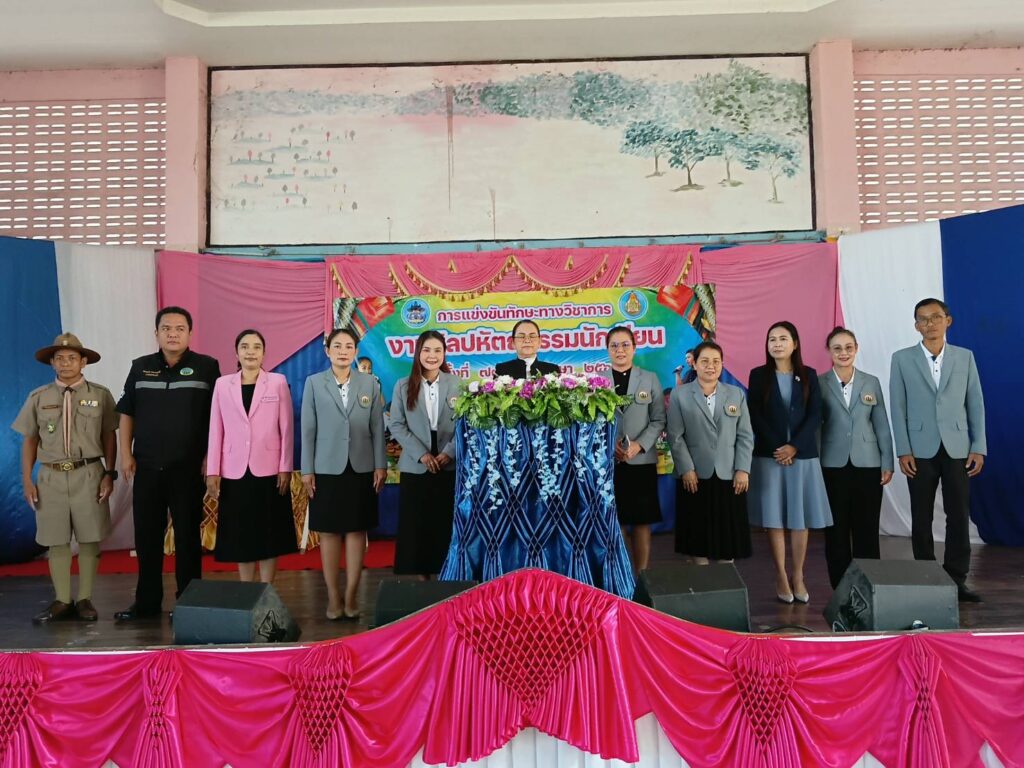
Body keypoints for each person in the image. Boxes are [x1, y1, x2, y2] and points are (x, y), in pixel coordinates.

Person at [115, 307, 220, 621]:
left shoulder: (206, 367)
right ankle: (146, 603)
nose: (173, 334)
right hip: (147, 466)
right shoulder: (140, 367)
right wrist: (126, 454)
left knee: (188, 538)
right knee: (147, 537)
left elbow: (218, 418)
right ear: (156, 333)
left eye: (179, 328)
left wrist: (210, 457)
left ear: (190, 333)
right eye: (166, 328)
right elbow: (127, 413)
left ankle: (189, 603)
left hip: (188, 468)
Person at [13, 334, 118, 623]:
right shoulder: (39, 397)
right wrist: (27, 479)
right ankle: (61, 600)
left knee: (89, 538)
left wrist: (109, 474)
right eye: (59, 358)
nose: (66, 363)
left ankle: (84, 599)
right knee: (55, 540)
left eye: (72, 358)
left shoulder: (100, 395)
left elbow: (109, 435)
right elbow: (30, 440)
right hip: (51, 476)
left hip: (89, 473)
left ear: (83, 362)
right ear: (52, 363)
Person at [889, 298, 986, 603]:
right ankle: (926, 578)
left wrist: (978, 446)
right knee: (921, 516)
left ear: (948, 320)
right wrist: (903, 450)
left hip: (958, 447)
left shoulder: (964, 357)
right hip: (919, 449)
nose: (929, 324)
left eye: (935, 317)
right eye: (923, 319)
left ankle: (957, 579)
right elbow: (897, 406)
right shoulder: (902, 359)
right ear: (916, 325)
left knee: (958, 514)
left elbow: (975, 403)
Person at [301, 327, 386, 620]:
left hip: (361, 467)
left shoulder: (369, 383)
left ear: (356, 351)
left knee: (356, 530)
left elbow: (377, 428)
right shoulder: (314, 383)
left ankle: (351, 595)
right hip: (325, 468)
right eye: (337, 346)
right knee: (329, 532)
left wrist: (381, 464)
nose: (343, 351)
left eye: (349, 346)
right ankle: (333, 597)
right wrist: (307, 469)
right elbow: (308, 429)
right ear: (327, 351)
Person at [747, 321, 832, 604]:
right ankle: (781, 575)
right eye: (772, 339)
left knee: (799, 518)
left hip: (802, 456)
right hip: (770, 457)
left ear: (795, 344)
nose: (777, 344)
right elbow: (755, 414)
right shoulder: (758, 375)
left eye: (783, 338)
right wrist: (779, 448)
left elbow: (815, 414)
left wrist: (794, 446)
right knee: (774, 519)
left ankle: (798, 575)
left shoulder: (809, 375)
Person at [205, 329, 297, 583]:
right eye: (245, 347)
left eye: (257, 347)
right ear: (236, 353)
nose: (251, 352)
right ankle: (247, 590)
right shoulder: (223, 384)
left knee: (268, 533)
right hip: (233, 470)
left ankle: (267, 589)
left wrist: (285, 467)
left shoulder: (277, 382)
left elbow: (287, 428)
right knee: (241, 534)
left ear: (264, 353)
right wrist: (213, 470)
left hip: (270, 470)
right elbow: (215, 429)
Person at [819, 327, 894, 589]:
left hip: (868, 464)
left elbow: (881, 424)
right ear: (829, 351)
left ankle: (868, 586)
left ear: (856, 349)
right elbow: (815, 427)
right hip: (831, 465)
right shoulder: (818, 383)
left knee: (867, 529)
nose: (843, 352)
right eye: (837, 348)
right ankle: (840, 589)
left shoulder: (871, 382)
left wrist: (887, 462)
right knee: (836, 530)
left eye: (848, 347)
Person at [668, 341, 753, 564]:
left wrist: (743, 469)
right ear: (694, 364)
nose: (711, 366)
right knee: (697, 541)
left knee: (727, 541)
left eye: (716, 361)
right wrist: (686, 469)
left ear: (722, 364)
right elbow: (675, 436)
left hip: (730, 476)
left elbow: (745, 436)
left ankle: (726, 582)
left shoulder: (735, 394)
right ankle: (702, 582)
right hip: (694, 477)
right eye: (704, 361)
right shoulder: (680, 394)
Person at [389, 330, 459, 578]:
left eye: (437, 350)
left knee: (444, 522)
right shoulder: (402, 385)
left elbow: (466, 424)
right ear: (418, 353)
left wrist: (449, 452)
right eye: (427, 350)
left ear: (444, 354)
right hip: (415, 463)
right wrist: (422, 454)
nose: (432, 355)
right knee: (417, 523)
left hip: (448, 463)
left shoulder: (457, 384)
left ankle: (446, 574)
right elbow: (396, 424)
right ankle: (421, 579)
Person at [606, 326, 665, 571]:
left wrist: (639, 445)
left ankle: (642, 575)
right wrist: (609, 447)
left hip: (641, 460)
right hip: (609, 463)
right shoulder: (597, 381)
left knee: (642, 521)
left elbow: (659, 419)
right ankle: (621, 575)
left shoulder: (649, 378)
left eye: (625, 345)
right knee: (615, 520)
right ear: (607, 350)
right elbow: (592, 422)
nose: (620, 350)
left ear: (634, 348)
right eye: (614, 346)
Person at [494, 320, 560, 379]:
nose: (527, 340)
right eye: (521, 336)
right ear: (513, 342)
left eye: (532, 336)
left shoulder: (552, 370)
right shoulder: (502, 370)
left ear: (539, 342)